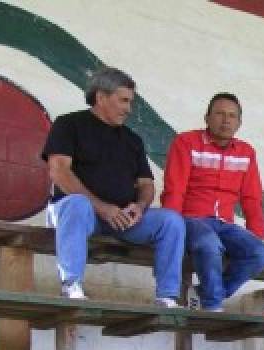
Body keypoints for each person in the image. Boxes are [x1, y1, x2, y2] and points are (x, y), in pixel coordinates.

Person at [41, 67, 184, 306]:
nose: (129, 109)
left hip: (120, 218)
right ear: (100, 97)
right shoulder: (69, 124)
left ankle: (167, 296)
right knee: (77, 204)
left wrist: (139, 206)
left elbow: (147, 184)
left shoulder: (132, 140)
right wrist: (101, 207)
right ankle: (71, 284)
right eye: (123, 101)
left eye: (131, 102)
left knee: (171, 221)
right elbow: (58, 170)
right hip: (78, 214)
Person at [162, 93, 264, 311]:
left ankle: (204, 293)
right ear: (207, 118)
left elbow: (252, 198)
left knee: (260, 254)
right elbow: (175, 189)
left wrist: (254, 237)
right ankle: (212, 306)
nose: (226, 120)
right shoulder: (185, 143)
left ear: (239, 123)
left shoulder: (246, 153)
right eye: (219, 114)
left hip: (225, 224)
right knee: (210, 243)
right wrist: (171, 230)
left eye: (232, 116)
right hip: (190, 220)